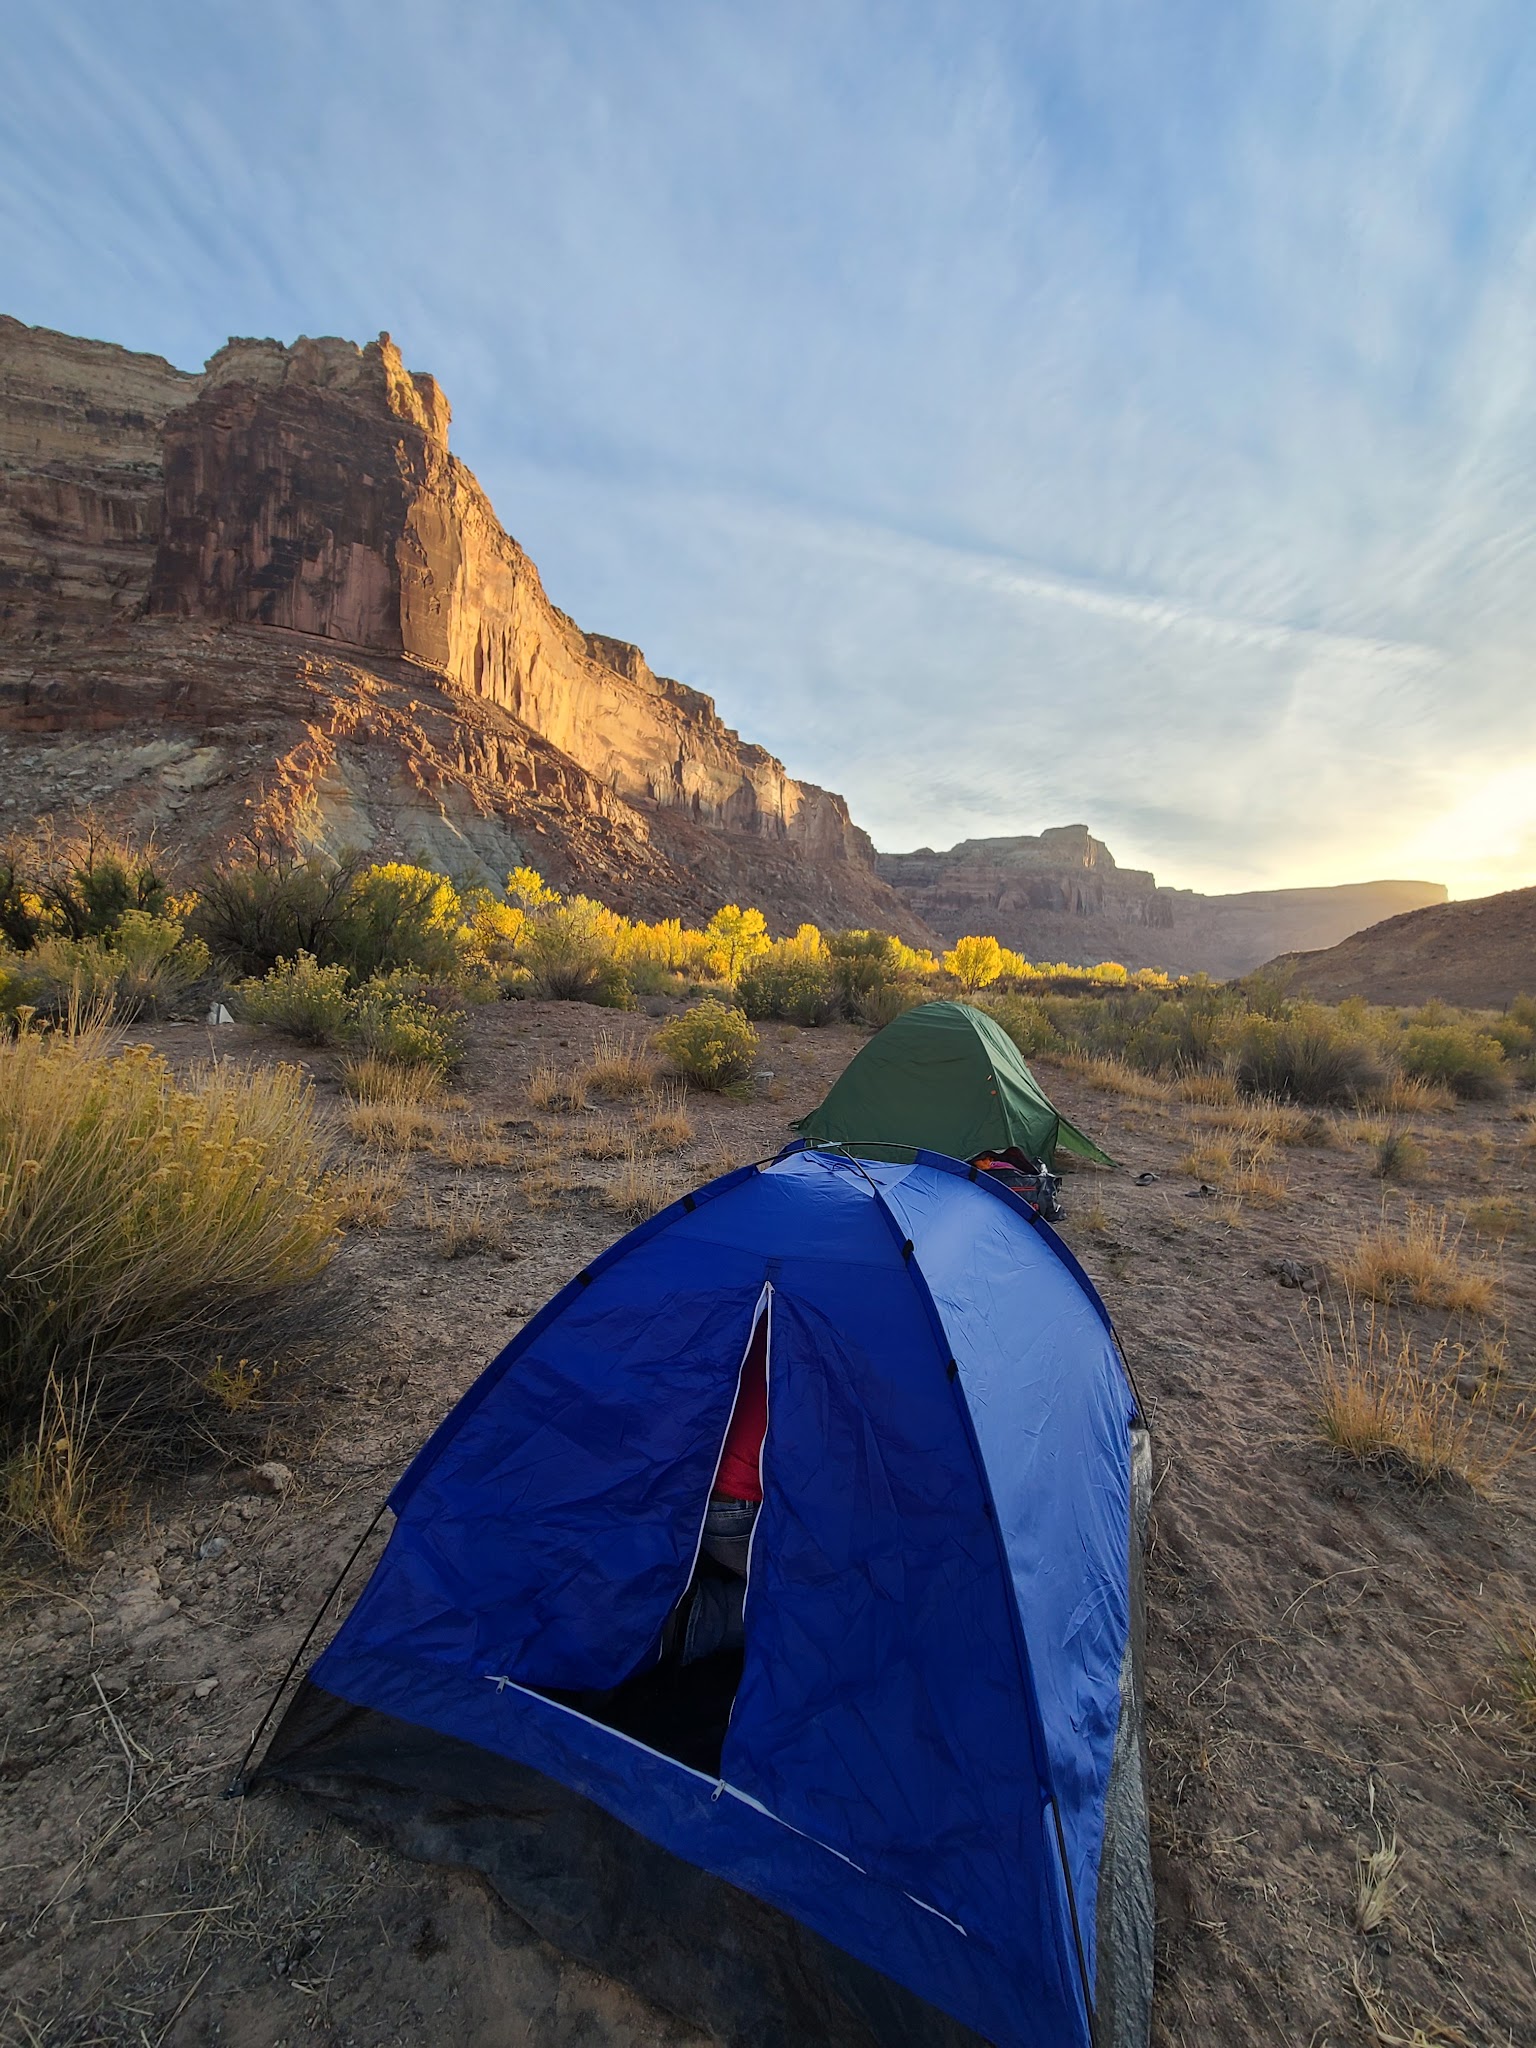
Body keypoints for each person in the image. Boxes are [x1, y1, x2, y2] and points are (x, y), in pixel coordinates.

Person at [665, 1317, 767, 1665]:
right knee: (830, 1595)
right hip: (738, 1504)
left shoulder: (749, 1308)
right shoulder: (840, 1329)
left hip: (688, 1485)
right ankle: (700, 1620)